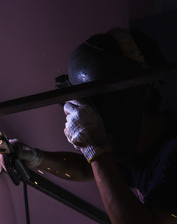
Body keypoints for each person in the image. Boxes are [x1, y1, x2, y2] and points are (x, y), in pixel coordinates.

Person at [17, 29, 177, 223]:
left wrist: (95, 148)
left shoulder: (173, 153)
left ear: (141, 95)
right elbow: (88, 169)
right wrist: (35, 158)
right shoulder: (135, 146)